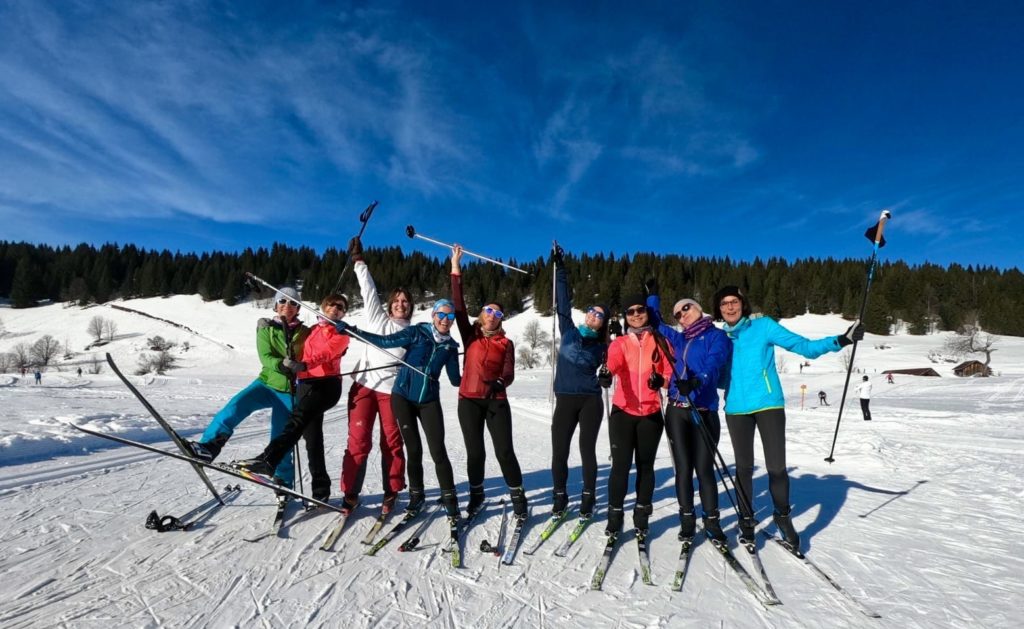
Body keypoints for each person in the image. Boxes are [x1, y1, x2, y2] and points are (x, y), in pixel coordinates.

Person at [713, 285, 864, 550]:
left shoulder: (763, 327)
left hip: (768, 405)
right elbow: (720, 377)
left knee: (776, 468)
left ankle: (783, 517)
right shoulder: (721, 339)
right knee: (744, 469)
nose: (729, 307)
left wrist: (841, 340)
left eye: (734, 301)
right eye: (724, 303)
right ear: (719, 308)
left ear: (742, 304)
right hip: (735, 409)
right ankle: (746, 520)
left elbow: (802, 346)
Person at [333, 299, 462, 522]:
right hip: (402, 397)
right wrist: (355, 332)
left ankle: (450, 500)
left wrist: (471, 365)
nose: (445, 320)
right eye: (441, 314)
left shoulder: (450, 347)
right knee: (413, 449)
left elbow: (455, 380)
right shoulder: (416, 333)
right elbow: (384, 341)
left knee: (438, 451)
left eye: (450, 317)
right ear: (433, 315)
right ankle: (416, 497)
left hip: (429, 400)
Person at [231, 294, 350, 504]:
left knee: (298, 419)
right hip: (305, 385)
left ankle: (269, 459)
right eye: (331, 305)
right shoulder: (312, 330)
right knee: (312, 440)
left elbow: (328, 353)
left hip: (327, 385)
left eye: (340, 307)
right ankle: (321, 491)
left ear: (344, 313)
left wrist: (305, 365)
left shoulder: (342, 333)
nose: (335, 309)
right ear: (323, 308)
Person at [186, 288, 309, 490]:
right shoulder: (266, 327)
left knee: (281, 437)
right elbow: (265, 357)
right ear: (276, 305)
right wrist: (282, 365)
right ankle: (209, 446)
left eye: (293, 303)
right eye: (283, 302)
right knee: (235, 407)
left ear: (297, 309)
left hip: (291, 392)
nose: (287, 307)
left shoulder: (306, 333)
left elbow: (318, 349)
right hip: (266, 384)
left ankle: (283, 481)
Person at [646, 281, 732, 543]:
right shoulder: (680, 338)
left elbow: (715, 361)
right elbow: (656, 324)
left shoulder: (718, 336)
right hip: (677, 411)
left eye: (687, 308)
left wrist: (698, 380)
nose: (683, 314)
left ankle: (712, 521)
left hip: (703, 410)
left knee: (704, 469)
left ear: (699, 308)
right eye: (679, 314)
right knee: (683, 469)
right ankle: (687, 519)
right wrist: (652, 298)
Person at [450, 244, 527, 520]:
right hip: (469, 400)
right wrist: (456, 268)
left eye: (498, 313)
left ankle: (518, 496)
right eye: (488, 310)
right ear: (481, 314)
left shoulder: (506, 343)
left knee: (505, 451)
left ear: (502, 319)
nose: (493, 315)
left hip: (496, 401)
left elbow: (509, 372)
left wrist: (500, 382)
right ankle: (477, 494)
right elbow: (458, 306)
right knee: (475, 453)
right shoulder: (469, 335)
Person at [339, 236, 411, 514]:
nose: (401, 304)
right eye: (397, 300)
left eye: (405, 301)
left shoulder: (413, 333)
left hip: (392, 392)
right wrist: (359, 261)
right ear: (390, 304)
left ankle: (391, 491)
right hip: (364, 386)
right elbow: (368, 290)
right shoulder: (378, 320)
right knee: (358, 441)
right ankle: (350, 494)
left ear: (410, 306)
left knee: (391, 442)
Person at [603, 292, 673, 536]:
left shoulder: (660, 341)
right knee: (620, 467)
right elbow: (614, 363)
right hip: (623, 411)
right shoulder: (619, 343)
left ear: (646, 312)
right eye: (630, 311)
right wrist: (606, 372)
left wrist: (660, 381)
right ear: (625, 316)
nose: (635, 315)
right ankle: (615, 516)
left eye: (639, 310)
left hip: (651, 413)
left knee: (646, 466)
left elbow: (669, 373)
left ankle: (641, 516)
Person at [548, 243, 609, 521]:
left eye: (599, 315)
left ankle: (589, 495)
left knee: (587, 451)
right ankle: (559, 495)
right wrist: (560, 267)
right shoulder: (569, 330)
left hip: (590, 400)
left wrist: (607, 376)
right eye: (591, 311)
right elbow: (562, 300)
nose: (593, 315)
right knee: (559, 450)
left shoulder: (604, 346)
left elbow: (615, 368)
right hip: (564, 398)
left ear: (603, 322)